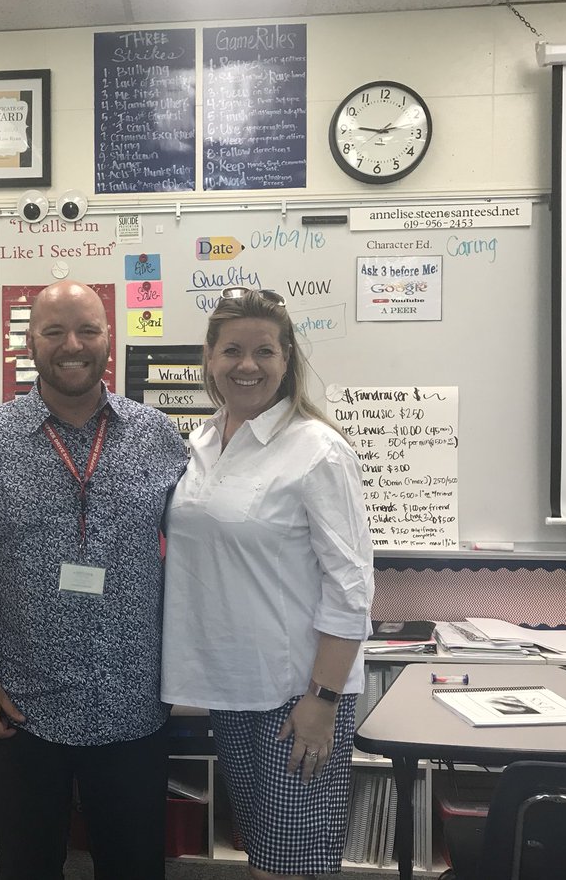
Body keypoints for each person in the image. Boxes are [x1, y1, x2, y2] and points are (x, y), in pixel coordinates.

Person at [0, 280, 188, 880]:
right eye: (54, 332)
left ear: (108, 340)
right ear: (29, 342)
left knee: (133, 868)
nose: (72, 345)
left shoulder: (157, 436)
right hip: (20, 708)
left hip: (133, 705)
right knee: (26, 867)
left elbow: (201, 552)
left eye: (87, 330)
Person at [161, 287, 374, 880]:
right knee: (261, 850)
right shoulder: (201, 442)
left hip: (297, 691)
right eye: (232, 350)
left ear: (287, 360)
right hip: (231, 686)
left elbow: (351, 586)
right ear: (208, 357)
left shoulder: (318, 451)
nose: (247, 365)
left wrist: (323, 702)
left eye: (264, 351)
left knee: (291, 865)